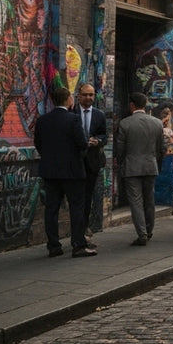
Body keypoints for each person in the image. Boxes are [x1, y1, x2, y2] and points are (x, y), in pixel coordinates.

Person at [33, 86, 94, 258]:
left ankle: (53, 246)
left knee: (51, 209)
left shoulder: (42, 120)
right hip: (72, 171)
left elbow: (38, 143)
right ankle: (78, 245)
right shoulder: (73, 119)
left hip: (50, 171)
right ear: (68, 100)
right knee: (76, 208)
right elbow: (82, 143)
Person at [115, 92, 165, 246]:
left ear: (132, 105)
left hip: (132, 167)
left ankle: (142, 234)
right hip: (150, 166)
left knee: (136, 201)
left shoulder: (125, 123)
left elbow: (120, 149)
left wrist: (122, 163)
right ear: (145, 105)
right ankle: (149, 231)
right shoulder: (157, 123)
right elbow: (161, 148)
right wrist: (156, 163)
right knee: (149, 200)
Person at [76, 82, 107, 238]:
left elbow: (104, 135)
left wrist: (98, 141)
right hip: (75, 162)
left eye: (91, 95)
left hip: (92, 161)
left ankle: (84, 227)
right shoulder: (72, 112)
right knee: (76, 197)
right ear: (78, 96)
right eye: (85, 95)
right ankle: (77, 229)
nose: (88, 98)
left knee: (88, 196)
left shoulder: (99, 115)